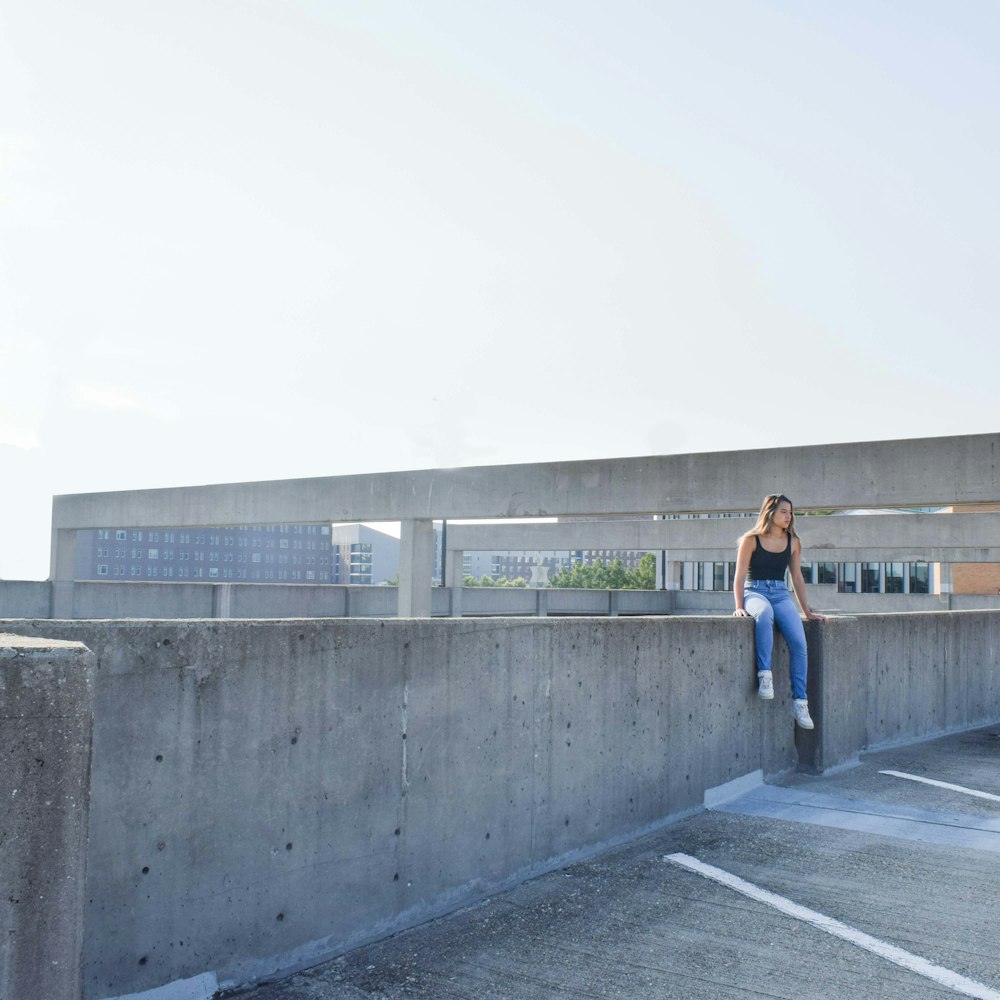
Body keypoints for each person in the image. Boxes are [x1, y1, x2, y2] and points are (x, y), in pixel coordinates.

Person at [732, 494, 827, 729]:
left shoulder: (793, 541)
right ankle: (765, 675)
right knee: (764, 615)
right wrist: (739, 606)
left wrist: (808, 611)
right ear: (770, 512)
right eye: (784, 511)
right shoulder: (751, 539)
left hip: (780, 593)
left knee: (799, 642)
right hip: (755, 591)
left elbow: (796, 578)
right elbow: (740, 576)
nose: (789, 516)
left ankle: (800, 702)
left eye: (791, 512)